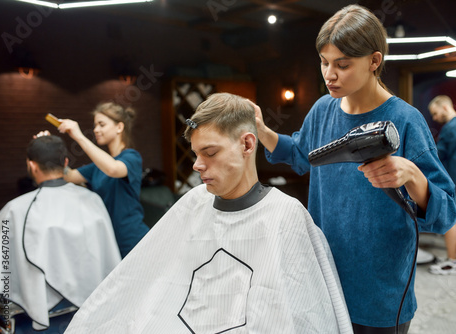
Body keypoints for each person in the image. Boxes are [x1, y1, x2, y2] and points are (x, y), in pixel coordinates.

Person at [64, 93, 353, 333]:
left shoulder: (285, 215)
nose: (197, 165)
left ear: (247, 144)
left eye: (210, 153)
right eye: (195, 153)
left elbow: (306, 313)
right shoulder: (193, 203)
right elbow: (149, 284)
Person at [252, 4, 456, 333]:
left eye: (342, 65)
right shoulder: (323, 110)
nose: (329, 74)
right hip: (324, 281)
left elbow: (446, 211)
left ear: (374, 61)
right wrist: (263, 131)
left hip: (380, 294)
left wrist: (413, 176)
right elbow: (303, 155)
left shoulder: (405, 121)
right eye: (324, 62)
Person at [0, 135, 121, 330]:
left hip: (39, 316)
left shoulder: (15, 210)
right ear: (66, 162)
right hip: (90, 313)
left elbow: (2, 266)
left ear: (32, 165)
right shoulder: (92, 200)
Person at [57, 102, 149, 258]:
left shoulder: (132, 157)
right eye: (95, 125)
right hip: (107, 240)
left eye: (101, 125)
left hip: (132, 239)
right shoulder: (97, 167)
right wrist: (49, 151)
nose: (96, 130)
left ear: (119, 127)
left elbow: (113, 169)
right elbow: (68, 175)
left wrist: (79, 136)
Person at [428, 95, 456, 275]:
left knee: (450, 220)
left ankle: (452, 262)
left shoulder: (451, 128)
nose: (435, 118)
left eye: (436, 113)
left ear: (445, 107)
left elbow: (437, 156)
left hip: (451, 180)